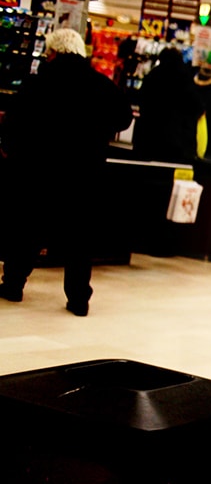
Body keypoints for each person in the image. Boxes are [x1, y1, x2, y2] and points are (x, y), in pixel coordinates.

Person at [0, 28, 132, 315]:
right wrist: (98, 130)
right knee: (79, 237)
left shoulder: (38, 83)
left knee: (27, 229)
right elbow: (123, 117)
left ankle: (13, 284)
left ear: (54, 52)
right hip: (84, 172)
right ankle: (78, 299)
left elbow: (13, 121)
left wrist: (11, 148)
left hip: (37, 170)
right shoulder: (99, 84)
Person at [130, 46, 204, 163]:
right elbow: (197, 106)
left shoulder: (153, 75)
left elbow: (141, 100)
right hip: (178, 140)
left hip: (149, 137)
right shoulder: (185, 77)